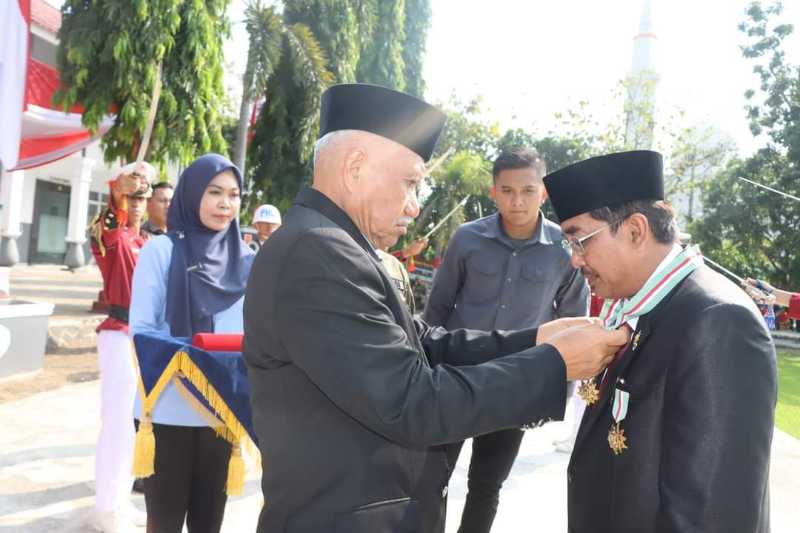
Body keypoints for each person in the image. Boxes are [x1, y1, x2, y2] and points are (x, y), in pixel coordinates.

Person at [243, 83, 628, 533]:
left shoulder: (337, 244)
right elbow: (411, 401)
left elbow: (423, 344)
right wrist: (552, 364)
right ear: (355, 167)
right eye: (410, 183)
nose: (414, 206)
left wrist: (537, 339)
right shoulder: (317, 252)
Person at [543, 150, 777, 532]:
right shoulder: (645, 306)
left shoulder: (718, 320)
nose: (575, 260)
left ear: (636, 230)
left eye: (580, 241)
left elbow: (713, 515)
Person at [423, 146, 588, 533]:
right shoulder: (467, 239)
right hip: (454, 378)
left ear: (543, 193)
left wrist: (559, 390)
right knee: (432, 478)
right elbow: (436, 310)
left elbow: (572, 323)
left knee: (486, 486)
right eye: (508, 190)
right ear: (493, 191)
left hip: (515, 385)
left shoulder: (564, 251)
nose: (518, 201)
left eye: (528, 191)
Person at [129, 154, 254, 533]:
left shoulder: (249, 259)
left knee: (208, 523)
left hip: (222, 411)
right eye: (214, 192)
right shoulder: (161, 251)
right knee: (164, 522)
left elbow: (254, 331)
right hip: (168, 407)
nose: (224, 203)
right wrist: (194, 359)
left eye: (233, 195)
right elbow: (142, 329)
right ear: (192, 193)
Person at [89, 161, 154, 533]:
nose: (139, 202)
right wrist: (117, 195)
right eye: (134, 195)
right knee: (115, 423)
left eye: (142, 196)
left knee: (134, 424)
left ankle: (119, 499)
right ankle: (105, 507)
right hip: (118, 332)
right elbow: (107, 228)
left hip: (144, 336)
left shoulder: (145, 242)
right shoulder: (110, 237)